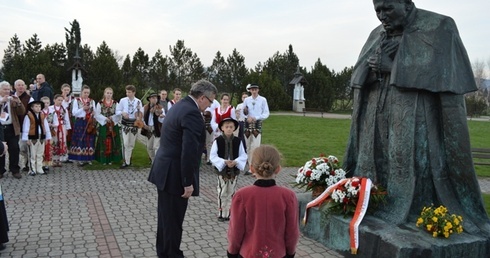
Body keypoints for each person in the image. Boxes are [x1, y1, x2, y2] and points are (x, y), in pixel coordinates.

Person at [344, 0, 490, 236]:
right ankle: (375, 202)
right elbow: (359, 77)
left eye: (388, 9)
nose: (382, 16)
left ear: (406, 4)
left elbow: (443, 77)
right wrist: (370, 70)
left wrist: (393, 67)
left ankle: (419, 210)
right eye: (377, 10)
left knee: (413, 165)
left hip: (418, 119)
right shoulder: (377, 34)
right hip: (379, 117)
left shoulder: (440, 26)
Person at [147, 79, 217, 258]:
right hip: (174, 175)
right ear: (202, 98)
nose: (209, 106)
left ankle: (164, 252)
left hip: (164, 170)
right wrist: (187, 182)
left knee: (166, 219)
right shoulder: (192, 113)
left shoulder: (179, 106)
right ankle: (171, 254)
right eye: (210, 102)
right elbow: (189, 151)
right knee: (172, 221)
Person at [227, 145, 299, 258]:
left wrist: (232, 251)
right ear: (278, 169)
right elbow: (292, 232)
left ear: (251, 169)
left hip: (248, 253)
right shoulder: (288, 196)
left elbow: (236, 230)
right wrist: (290, 252)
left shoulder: (241, 196)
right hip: (278, 253)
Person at [209, 118, 247, 222]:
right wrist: (224, 162)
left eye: (231, 127)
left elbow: (243, 155)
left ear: (234, 128)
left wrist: (236, 161)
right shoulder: (218, 141)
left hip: (234, 170)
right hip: (222, 171)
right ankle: (221, 213)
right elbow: (213, 156)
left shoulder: (238, 141)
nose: (229, 129)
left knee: (231, 191)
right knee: (222, 191)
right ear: (222, 128)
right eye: (227, 127)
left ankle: (229, 213)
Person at [242, 84, 269, 174]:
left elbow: (266, 113)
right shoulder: (247, 100)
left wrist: (256, 118)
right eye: (252, 90)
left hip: (257, 125)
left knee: (256, 147)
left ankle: (256, 167)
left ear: (258, 90)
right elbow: (243, 112)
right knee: (248, 147)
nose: (254, 91)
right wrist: (247, 116)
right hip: (248, 124)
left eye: (255, 89)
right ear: (250, 90)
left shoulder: (263, 100)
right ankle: (251, 168)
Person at [0, 81, 25, 179]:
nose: (7, 91)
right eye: (4, 89)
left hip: (12, 127)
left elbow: (21, 112)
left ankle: (14, 170)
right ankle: (1, 170)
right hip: (0, 128)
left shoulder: (12, 99)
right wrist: (1, 102)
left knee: (14, 149)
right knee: (1, 149)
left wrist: (18, 102)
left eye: (8, 89)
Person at [21, 100, 53, 176]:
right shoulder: (28, 116)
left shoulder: (42, 115)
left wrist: (48, 137)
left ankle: (39, 168)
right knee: (32, 154)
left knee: (40, 153)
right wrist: (26, 139)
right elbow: (26, 127)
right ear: (32, 108)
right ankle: (32, 169)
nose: (38, 108)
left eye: (39, 106)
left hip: (41, 136)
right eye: (36, 106)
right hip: (32, 137)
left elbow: (45, 126)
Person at [68, 85, 96, 165]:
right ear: (81, 92)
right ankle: (79, 158)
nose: (86, 94)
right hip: (80, 122)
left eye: (88, 93)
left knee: (89, 139)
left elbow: (95, 111)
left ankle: (88, 158)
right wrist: (82, 109)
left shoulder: (91, 101)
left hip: (89, 122)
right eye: (85, 92)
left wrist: (93, 113)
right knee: (80, 139)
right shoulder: (77, 100)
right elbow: (74, 113)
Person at [117, 85, 143, 168]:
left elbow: (141, 113)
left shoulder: (138, 101)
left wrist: (139, 113)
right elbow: (117, 110)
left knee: (131, 144)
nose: (127, 93)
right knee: (125, 143)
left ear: (134, 92)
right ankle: (125, 161)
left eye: (129, 92)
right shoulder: (122, 100)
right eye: (127, 92)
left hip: (134, 124)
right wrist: (122, 113)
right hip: (125, 123)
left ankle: (128, 161)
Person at [94, 88, 122, 165]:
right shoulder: (100, 103)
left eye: (110, 93)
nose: (109, 95)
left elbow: (118, 113)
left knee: (113, 140)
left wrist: (112, 118)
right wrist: (105, 119)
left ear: (112, 94)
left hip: (113, 124)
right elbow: (97, 114)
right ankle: (104, 159)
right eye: (107, 93)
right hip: (104, 125)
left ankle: (112, 159)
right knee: (104, 141)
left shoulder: (116, 103)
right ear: (104, 93)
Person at [14, 79, 34, 172]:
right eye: (18, 85)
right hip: (12, 126)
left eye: (22, 85)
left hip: (24, 126)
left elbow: (32, 112)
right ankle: (14, 165)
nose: (20, 87)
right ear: (15, 87)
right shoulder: (11, 97)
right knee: (14, 147)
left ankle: (27, 163)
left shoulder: (29, 98)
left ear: (25, 87)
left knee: (24, 147)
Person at [141, 93, 164, 164]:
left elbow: (162, 120)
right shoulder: (145, 107)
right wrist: (144, 125)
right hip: (148, 128)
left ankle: (158, 162)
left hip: (157, 129)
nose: (155, 99)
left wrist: (160, 116)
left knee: (156, 147)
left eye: (156, 98)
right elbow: (141, 117)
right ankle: (154, 161)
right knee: (149, 147)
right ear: (150, 99)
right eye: (153, 98)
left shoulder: (160, 108)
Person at [50, 94, 71, 166]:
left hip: (62, 127)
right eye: (58, 100)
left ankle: (60, 159)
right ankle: (53, 159)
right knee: (54, 142)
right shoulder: (51, 108)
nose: (60, 102)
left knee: (61, 142)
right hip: (54, 127)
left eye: (61, 100)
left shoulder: (64, 109)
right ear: (54, 100)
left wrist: (67, 129)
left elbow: (67, 119)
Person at [41, 96, 53, 173]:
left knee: (48, 149)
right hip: (41, 132)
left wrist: (53, 124)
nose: (46, 104)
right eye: (44, 103)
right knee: (41, 149)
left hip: (50, 132)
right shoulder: (40, 112)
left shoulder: (52, 111)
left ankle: (46, 165)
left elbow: (56, 121)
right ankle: (40, 164)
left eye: (47, 103)